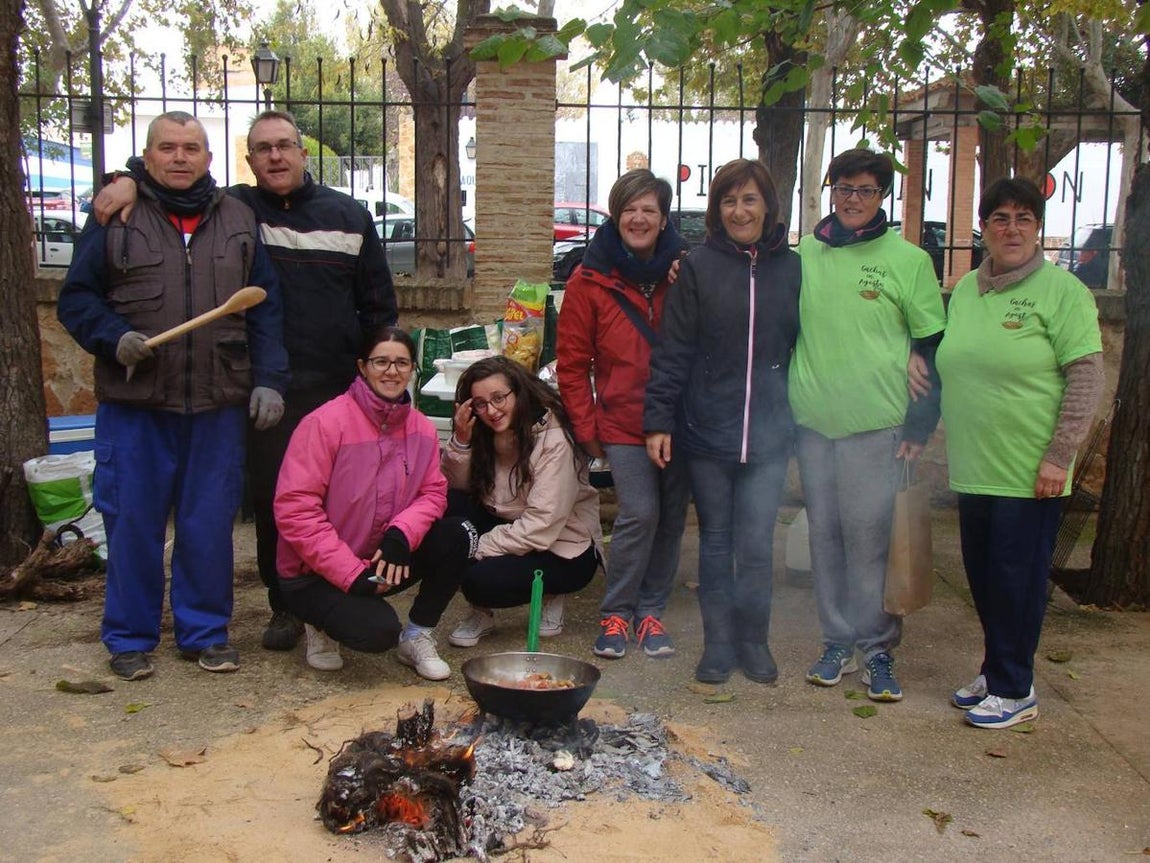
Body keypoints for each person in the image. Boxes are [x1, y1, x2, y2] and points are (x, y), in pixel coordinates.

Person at [93, 110, 398, 654]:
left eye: (285, 146)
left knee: (341, 500)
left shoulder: (346, 215)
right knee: (275, 501)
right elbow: (171, 179)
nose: (275, 156)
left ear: (304, 153)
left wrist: (378, 381)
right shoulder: (236, 210)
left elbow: (377, 307)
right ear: (248, 160)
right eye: (263, 149)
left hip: (329, 388)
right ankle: (285, 603)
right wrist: (124, 181)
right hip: (260, 389)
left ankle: (339, 594)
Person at [57, 111, 289, 681]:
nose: (180, 158)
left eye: (192, 148)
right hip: (136, 407)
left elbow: (266, 310)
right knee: (132, 523)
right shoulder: (117, 214)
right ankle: (130, 638)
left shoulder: (238, 217)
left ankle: (205, 633)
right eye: (168, 148)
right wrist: (113, 339)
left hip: (216, 405)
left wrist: (269, 380)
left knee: (209, 525)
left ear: (210, 159)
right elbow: (76, 299)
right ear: (148, 157)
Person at [936, 177, 1103, 729]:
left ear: (1037, 228)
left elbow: (1085, 376)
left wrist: (1060, 455)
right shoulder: (967, 290)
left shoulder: (1063, 292)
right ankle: (997, 666)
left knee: (1018, 580)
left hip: (1031, 469)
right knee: (983, 577)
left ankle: (1015, 687)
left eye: (1023, 218)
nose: (1011, 229)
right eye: (1000, 218)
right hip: (976, 464)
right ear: (983, 228)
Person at [789, 148, 946, 702]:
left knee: (870, 541)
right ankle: (836, 640)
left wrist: (917, 428)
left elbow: (931, 348)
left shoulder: (908, 261)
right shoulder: (806, 254)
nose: (853, 200)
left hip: (876, 427)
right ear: (830, 191)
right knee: (825, 538)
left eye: (866, 190)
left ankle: (877, 649)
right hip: (813, 426)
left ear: (883, 197)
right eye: (844, 188)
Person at [644, 158, 801, 685]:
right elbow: (674, 350)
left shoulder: (793, 268)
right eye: (729, 201)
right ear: (717, 209)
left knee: (756, 545)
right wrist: (659, 420)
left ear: (768, 207)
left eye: (750, 199)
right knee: (715, 542)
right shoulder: (698, 267)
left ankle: (754, 642)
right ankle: (718, 646)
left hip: (771, 434)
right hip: (708, 431)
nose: (740, 210)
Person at [273, 327, 473, 680]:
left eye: (401, 363)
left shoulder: (421, 429)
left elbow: (433, 493)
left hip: (381, 558)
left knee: (458, 533)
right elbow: (296, 511)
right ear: (362, 367)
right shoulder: (323, 424)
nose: (391, 371)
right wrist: (351, 574)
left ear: (413, 370)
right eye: (381, 361)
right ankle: (318, 625)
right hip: (314, 573)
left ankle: (417, 635)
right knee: (377, 632)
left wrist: (401, 535)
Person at [556, 169, 691, 660]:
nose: (638, 218)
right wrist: (588, 429)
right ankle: (617, 612)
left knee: (673, 517)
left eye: (649, 210)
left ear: (663, 218)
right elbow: (572, 365)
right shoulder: (589, 280)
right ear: (615, 215)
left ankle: (651, 609)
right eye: (629, 208)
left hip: (682, 419)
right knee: (640, 511)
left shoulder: (686, 270)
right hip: (623, 420)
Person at [442, 356, 602, 647]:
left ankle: (552, 592)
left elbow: (541, 524)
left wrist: (473, 547)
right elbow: (459, 486)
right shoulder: (484, 430)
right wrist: (462, 440)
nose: (491, 411)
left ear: (519, 392)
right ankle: (483, 615)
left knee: (477, 579)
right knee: (445, 511)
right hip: (508, 524)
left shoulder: (552, 438)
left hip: (562, 546)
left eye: (499, 398)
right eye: (480, 403)